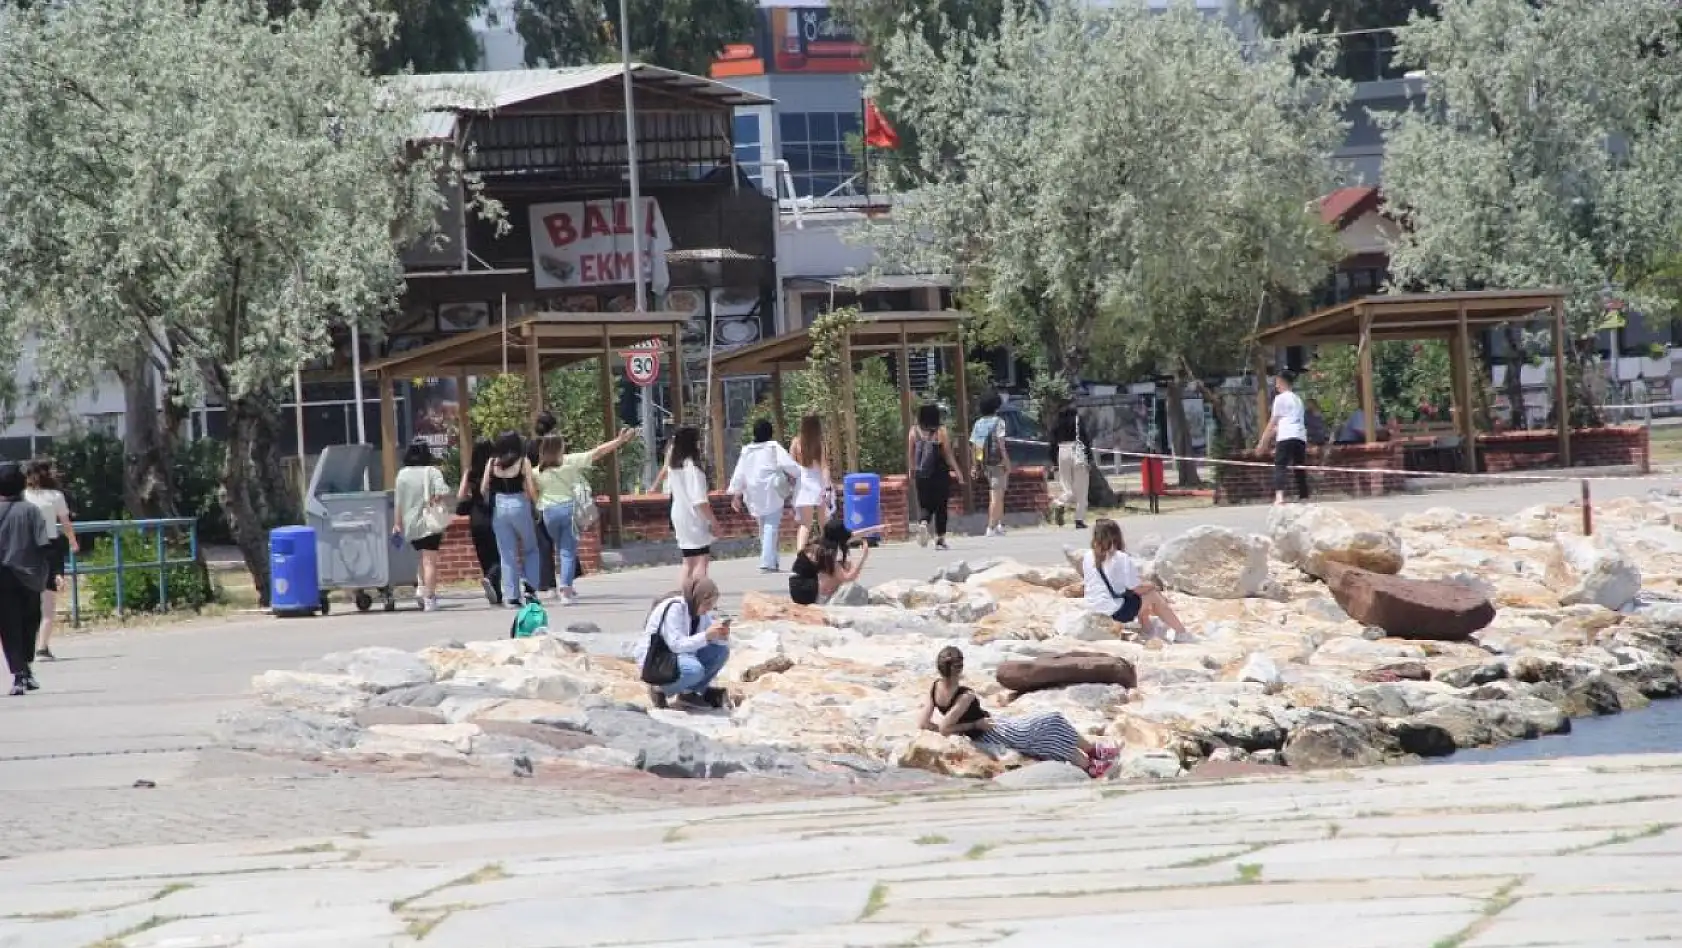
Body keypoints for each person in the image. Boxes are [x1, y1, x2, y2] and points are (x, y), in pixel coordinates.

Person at [919, 646, 1117, 779]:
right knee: (1051, 721)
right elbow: (945, 727)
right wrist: (973, 726)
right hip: (992, 732)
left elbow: (924, 724)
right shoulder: (965, 695)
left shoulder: (935, 688)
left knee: (1050, 728)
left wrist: (957, 732)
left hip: (988, 730)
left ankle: (1091, 756)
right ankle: (1090, 760)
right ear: (959, 668)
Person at [535, 426, 637, 605]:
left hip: (548, 513)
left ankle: (564, 585)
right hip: (568, 510)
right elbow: (597, 452)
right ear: (560, 448)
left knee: (560, 548)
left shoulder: (537, 471)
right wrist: (619, 441)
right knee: (567, 551)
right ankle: (565, 589)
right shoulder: (569, 462)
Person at [1082, 519, 1187, 642]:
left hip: (1092, 607)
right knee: (1151, 595)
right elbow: (1135, 587)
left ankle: (1147, 629)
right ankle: (1181, 632)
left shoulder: (1088, 556)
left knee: (1140, 598)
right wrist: (1153, 585)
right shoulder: (1120, 557)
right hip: (1114, 611)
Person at [638, 577, 732, 711]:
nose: (709, 608)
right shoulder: (675, 608)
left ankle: (689, 693)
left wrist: (721, 635)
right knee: (694, 670)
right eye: (707, 603)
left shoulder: (699, 613)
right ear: (697, 598)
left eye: (712, 604)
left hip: (681, 654)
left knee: (720, 652)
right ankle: (659, 689)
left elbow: (709, 638)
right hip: (659, 658)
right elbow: (675, 645)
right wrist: (706, 635)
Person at [0, 462, 50, 696]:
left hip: (2, 579)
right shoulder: (31, 511)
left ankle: (19, 673)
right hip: (29, 577)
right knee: (30, 621)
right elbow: (43, 544)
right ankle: (26, 668)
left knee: (8, 627)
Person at [728, 419, 802, 573]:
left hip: (753, 493)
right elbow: (789, 465)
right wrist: (801, 473)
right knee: (771, 526)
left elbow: (739, 473)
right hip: (771, 490)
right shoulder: (773, 447)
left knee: (763, 527)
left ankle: (773, 560)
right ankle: (767, 562)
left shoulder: (747, 450)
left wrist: (736, 494)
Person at [481, 430, 542, 607]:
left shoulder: (492, 462)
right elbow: (530, 488)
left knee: (507, 554)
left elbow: (483, 488)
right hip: (519, 503)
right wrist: (537, 505)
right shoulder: (523, 461)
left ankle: (512, 596)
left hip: (499, 506)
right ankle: (530, 588)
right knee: (531, 548)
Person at [23, 459, 76, 661]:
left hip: (25, 549)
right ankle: (42, 647)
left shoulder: (21, 497)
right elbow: (65, 522)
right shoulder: (55, 496)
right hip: (49, 547)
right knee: (48, 602)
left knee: (27, 601)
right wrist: (73, 542)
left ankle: (24, 645)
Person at [392, 439, 451, 612]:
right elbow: (442, 492)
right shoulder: (432, 472)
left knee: (422, 558)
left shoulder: (402, 475)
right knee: (430, 561)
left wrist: (397, 524)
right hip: (429, 522)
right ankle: (430, 599)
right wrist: (433, 500)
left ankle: (421, 588)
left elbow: (398, 502)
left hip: (411, 524)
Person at [665, 426, 719, 584]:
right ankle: (698, 597)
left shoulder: (674, 467)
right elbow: (699, 501)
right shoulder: (692, 468)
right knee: (702, 559)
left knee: (688, 562)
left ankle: (686, 597)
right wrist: (714, 522)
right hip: (693, 516)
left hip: (679, 514)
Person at [907, 404, 965, 551]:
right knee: (941, 506)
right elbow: (948, 454)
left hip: (922, 474)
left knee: (925, 504)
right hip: (940, 473)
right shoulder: (941, 431)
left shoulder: (914, 431)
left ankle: (923, 523)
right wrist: (958, 472)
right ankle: (940, 539)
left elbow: (911, 454)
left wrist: (911, 471)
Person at [789, 518, 879, 606]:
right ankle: (824, 600)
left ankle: (824, 596)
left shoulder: (821, 542)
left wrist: (876, 529)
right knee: (837, 572)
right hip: (804, 591)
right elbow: (848, 578)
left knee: (844, 565)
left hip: (797, 588)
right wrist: (863, 556)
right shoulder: (825, 552)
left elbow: (852, 535)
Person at [456, 438, 501, 605]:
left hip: (475, 517)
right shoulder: (494, 470)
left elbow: (460, 495)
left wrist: (472, 495)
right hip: (492, 514)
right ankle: (491, 579)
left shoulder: (470, 472)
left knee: (484, 556)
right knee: (499, 556)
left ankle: (495, 592)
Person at [1256, 371, 1309, 505]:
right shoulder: (1298, 399)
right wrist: (1273, 433)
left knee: (1280, 465)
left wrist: (1262, 443)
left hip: (1285, 436)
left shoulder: (1280, 399)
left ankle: (1279, 496)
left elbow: (1273, 422)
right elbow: (1287, 421)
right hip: (1299, 436)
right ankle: (1304, 496)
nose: (1276, 386)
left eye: (1277, 383)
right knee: (1299, 466)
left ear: (1283, 382)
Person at [525, 411, 559, 593]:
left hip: (535, 493)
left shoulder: (529, 446)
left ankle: (546, 581)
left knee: (542, 541)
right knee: (562, 539)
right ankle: (560, 578)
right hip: (555, 493)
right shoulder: (554, 445)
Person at [969, 394, 1012, 537]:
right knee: (996, 495)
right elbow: (1001, 444)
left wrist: (975, 465)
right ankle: (991, 527)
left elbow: (974, 446)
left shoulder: (979, 423)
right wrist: (1007, 461)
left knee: (998, 494)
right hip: (998, 463)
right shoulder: (998, 422)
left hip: (985, 463)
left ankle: (999, 525)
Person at [1048, 401, 1094, 530]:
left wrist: (1054, 462)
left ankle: (1060, 501)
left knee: (1066, 486)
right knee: (1082, 488)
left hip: (1062, 451)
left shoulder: (1056, 423)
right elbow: (1085, 439)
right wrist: (1089, 458)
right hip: (1077, 451)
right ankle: (1079, 519)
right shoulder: (1078, 420)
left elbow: (1052, 444)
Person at [789, 414, 830, 553]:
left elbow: (791, 465)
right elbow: (824, 467)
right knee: (823, 522)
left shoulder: (796, 442)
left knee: (805, 523)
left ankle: (800, 552)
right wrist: (827, 486)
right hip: (818, 483)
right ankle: (827, 550)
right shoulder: (819, 443)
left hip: (803, 483)